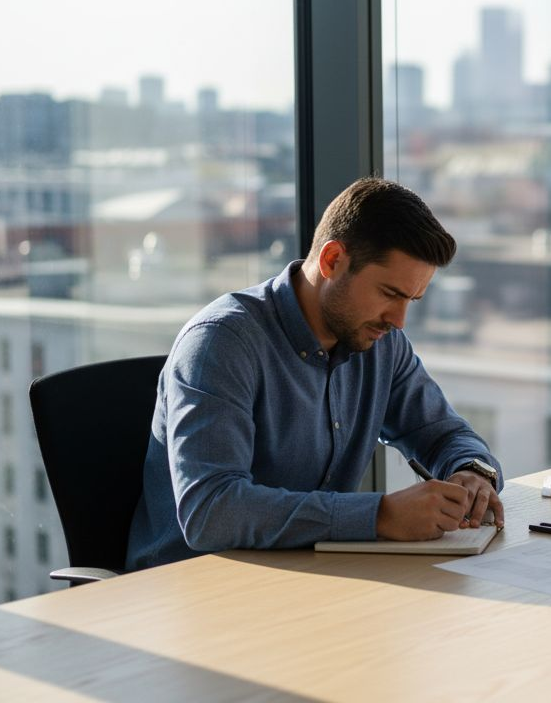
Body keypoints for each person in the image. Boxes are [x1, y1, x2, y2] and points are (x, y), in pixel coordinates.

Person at [127, 177, 505, 569]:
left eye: (412, 299)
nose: (399, 320)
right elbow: (212, 511)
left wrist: (472, 473)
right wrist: (380, 516)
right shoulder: (221, 343)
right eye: (390, 294)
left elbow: (443, 433)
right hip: (192, 590)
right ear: (332, 261)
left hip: (308, 579)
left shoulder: (379, 341)